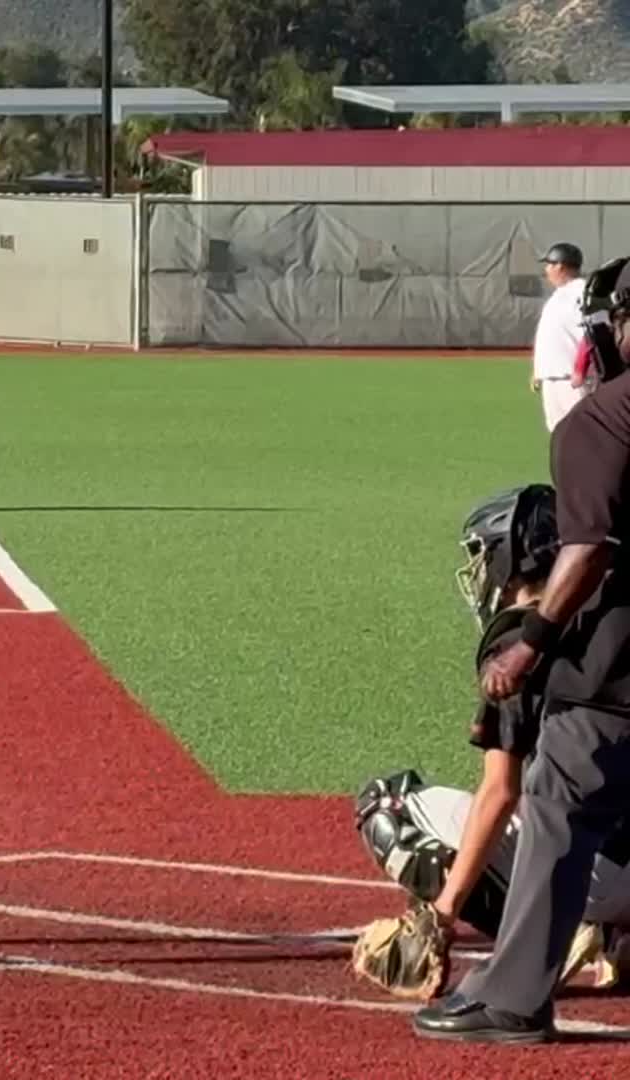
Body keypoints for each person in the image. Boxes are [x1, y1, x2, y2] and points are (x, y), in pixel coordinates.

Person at [415, 285, 630, 1043]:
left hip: (614, 673)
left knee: (558, 812)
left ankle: (511, 995)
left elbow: (593, 546)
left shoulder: (602, 419)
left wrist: (532, 637)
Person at [354, 485, 630, 992]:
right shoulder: (614, 615)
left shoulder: (516, 642)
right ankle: (616, 935)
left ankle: (558, 931)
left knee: (387, 805)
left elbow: (501, 792)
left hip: (592, 863)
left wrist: (441, 914)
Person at [531, 242, 590, 433]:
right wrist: (539, 371)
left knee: (581, 432)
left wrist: (580, 369)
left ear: (560, 266)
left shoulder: (582, 292)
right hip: (553, 377)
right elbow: (551, 337)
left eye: (549, 264)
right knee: (559, 433)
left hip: (572, 380)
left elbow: (591, 333)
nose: (546, 269)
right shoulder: (559, 296)